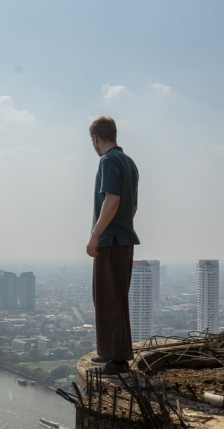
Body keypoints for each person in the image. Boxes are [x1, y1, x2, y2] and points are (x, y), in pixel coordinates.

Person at [86, 116, 139, 375]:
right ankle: (109, 353)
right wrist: (121, 226)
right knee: (110, 296)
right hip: (124, 238)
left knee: (110, 297)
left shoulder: (108, 160)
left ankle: (117, 360)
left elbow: (113, 200)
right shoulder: (129, 163)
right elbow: (133, 206)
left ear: (96, 137)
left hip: (111, 241)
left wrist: (96, 235)